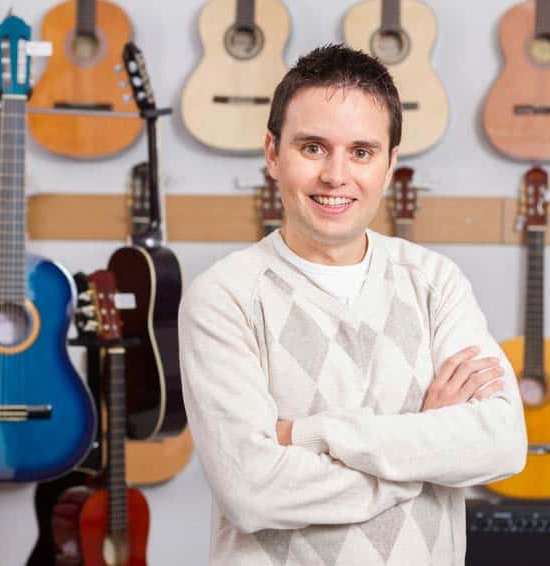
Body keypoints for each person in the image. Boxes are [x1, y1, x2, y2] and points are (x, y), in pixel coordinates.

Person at [178, 44, 527, 566]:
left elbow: (501, 443)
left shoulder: (434, 281)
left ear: (389, 166)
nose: (336, 176)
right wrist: (421, 456)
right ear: (273, 154)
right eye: (313, 148)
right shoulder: (224, 297)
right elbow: (253, 491)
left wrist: (309, 435)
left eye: (361, 152)